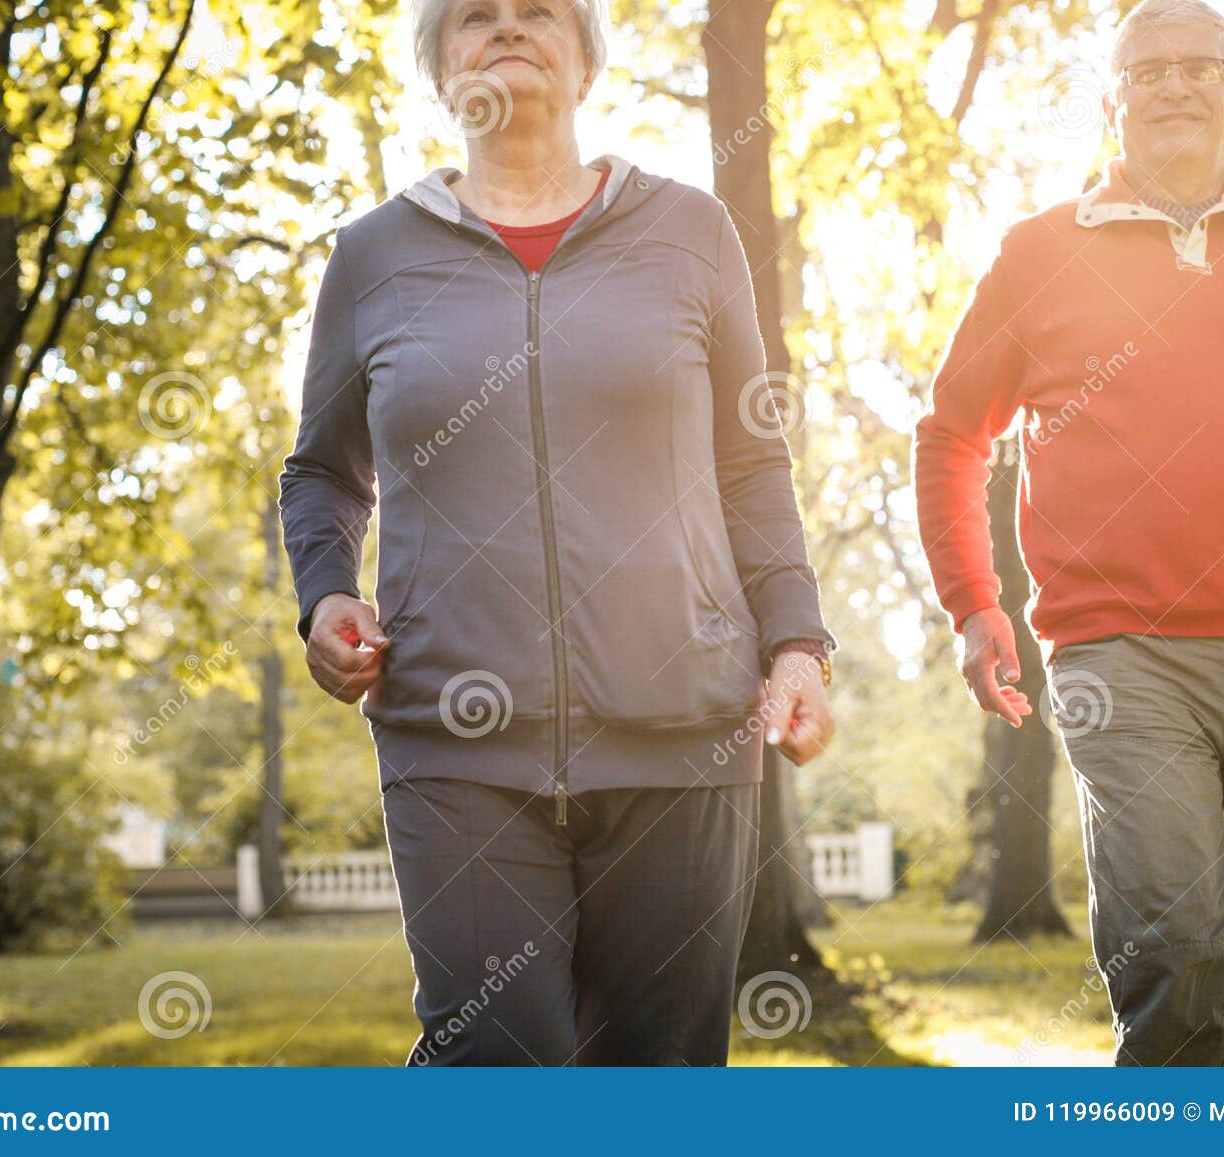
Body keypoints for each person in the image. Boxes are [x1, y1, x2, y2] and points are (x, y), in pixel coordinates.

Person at [278, 0, 836, 1066]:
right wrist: (325, 591)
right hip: (454, 731)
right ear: (438, 70)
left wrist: (795, 642)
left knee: (658, 1070)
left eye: (539, 11)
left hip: (683, 724)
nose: (507, 29)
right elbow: (321, 471)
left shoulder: (689, 231)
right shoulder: (373, 255)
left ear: (586, 60)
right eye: (473, 17)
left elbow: (752, 462)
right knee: (496, 1057)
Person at [913, 0, 1224, 1065]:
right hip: (1119, 648)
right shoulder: (1038, 252)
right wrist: (973, 603)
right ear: (1110, 105)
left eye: (1200, 68)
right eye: (1146, 73)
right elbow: (952, 434)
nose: (1174, 88)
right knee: (1178, 953)